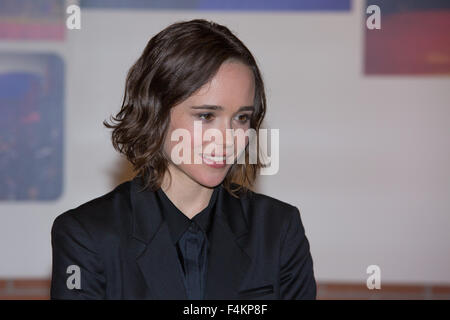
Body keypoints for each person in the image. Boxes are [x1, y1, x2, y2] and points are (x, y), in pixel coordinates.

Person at [50, 19, 316, 300]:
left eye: (241, 118)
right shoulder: (87, 235)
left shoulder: (278, 230)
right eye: (206, 116)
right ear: (156, 113)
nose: (227, 138)